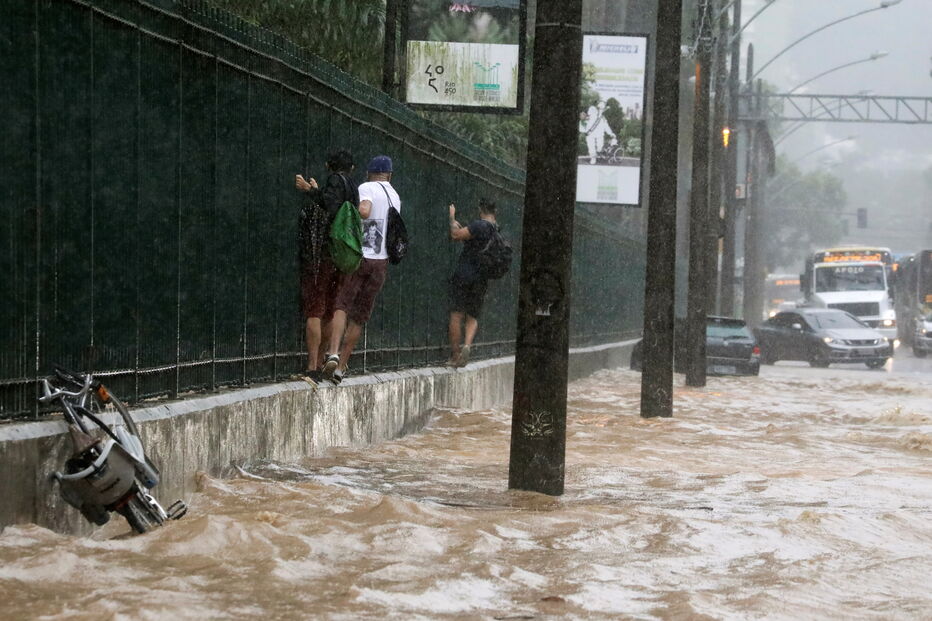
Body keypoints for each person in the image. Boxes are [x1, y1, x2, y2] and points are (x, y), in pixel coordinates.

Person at [322, 155, 400, 383]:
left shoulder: (367, 188)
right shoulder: (395, 196)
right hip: (381, 263)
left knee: (342, 304)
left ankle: (333, 353)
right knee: (359, 316)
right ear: (389, 175)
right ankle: (341, 368)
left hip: (361, 257)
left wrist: (350, 211)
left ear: (369, 172)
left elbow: (364, 210)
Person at [294, 150, 358, 382]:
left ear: (328, 166)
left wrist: (309, 190)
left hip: (323, 254)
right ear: (352, 168)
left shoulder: (334, 181)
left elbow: (330, 205)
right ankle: (323, 361)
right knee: (330, 310)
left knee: (314, 308)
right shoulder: (353, 187)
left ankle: (312, 366)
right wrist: (319, 190)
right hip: (342, 255)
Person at [446, 198, 498, 367]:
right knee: (472, 316)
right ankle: (467, 345)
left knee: (456, 314)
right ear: (495, 211)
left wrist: (452, 219)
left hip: (465, 274)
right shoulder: (495, 231)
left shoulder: (479, 226)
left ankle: (455, 355)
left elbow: (455, 235)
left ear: (480, 209)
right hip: (481, 278)